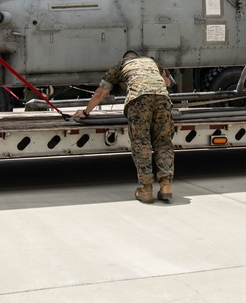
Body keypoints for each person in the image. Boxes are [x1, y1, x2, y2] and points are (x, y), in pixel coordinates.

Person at [74, 50, 175, 203]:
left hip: (138, 100)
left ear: (125, 59)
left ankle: (146, 189)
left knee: (141, 142)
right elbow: (167, 83)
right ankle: (166, 185)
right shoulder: (152, 61)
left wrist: (86, 112)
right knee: (163, 142)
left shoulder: (120, 65)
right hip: (162, 99)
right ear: (137, 57)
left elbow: (100, 93)